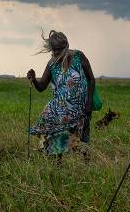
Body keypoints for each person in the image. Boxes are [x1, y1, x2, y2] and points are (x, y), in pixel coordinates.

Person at [27, 30, 95, 162]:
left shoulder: (78, 57)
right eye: (54, 50)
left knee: (82, 137)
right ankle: (58, 163)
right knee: (56, 133)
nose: (56, 53)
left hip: (80, 107)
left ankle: (87, 163)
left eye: (59, 49)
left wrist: (89, 102)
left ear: (66, 46)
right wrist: (34, 79)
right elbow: (42, 87)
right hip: (60, 109)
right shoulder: (52, 64)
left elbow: (91, 79)